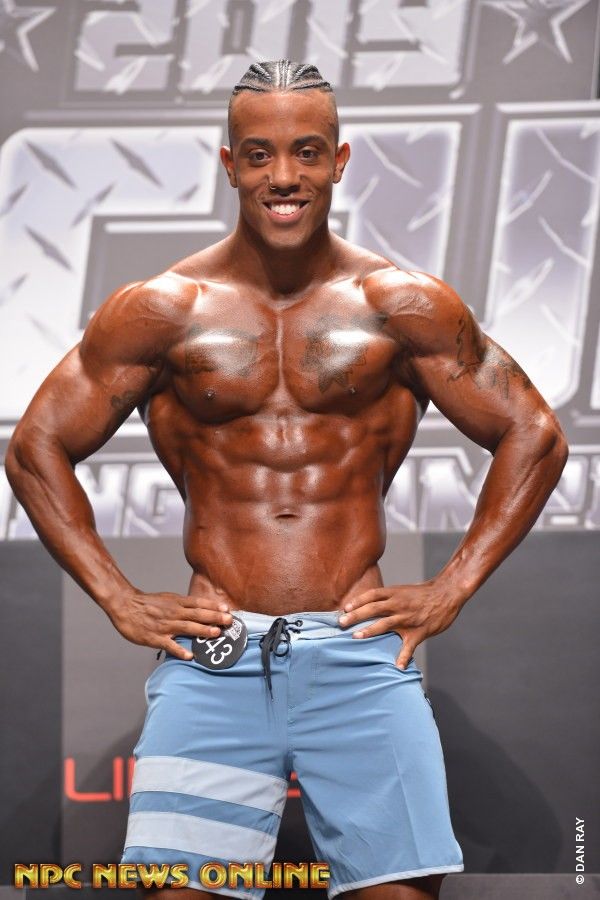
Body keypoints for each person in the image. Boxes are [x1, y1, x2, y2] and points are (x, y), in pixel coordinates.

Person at [5, 59, 568, 900]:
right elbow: (34, 447)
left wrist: (452, 587)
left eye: (306, 152)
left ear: (339, 161)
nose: (284, 176)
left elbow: (536, 434)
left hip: (360, 656)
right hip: (215, 660)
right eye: (259, 154)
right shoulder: (162, 309)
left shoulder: (401, 304)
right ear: (229, 165)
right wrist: (119, 598)